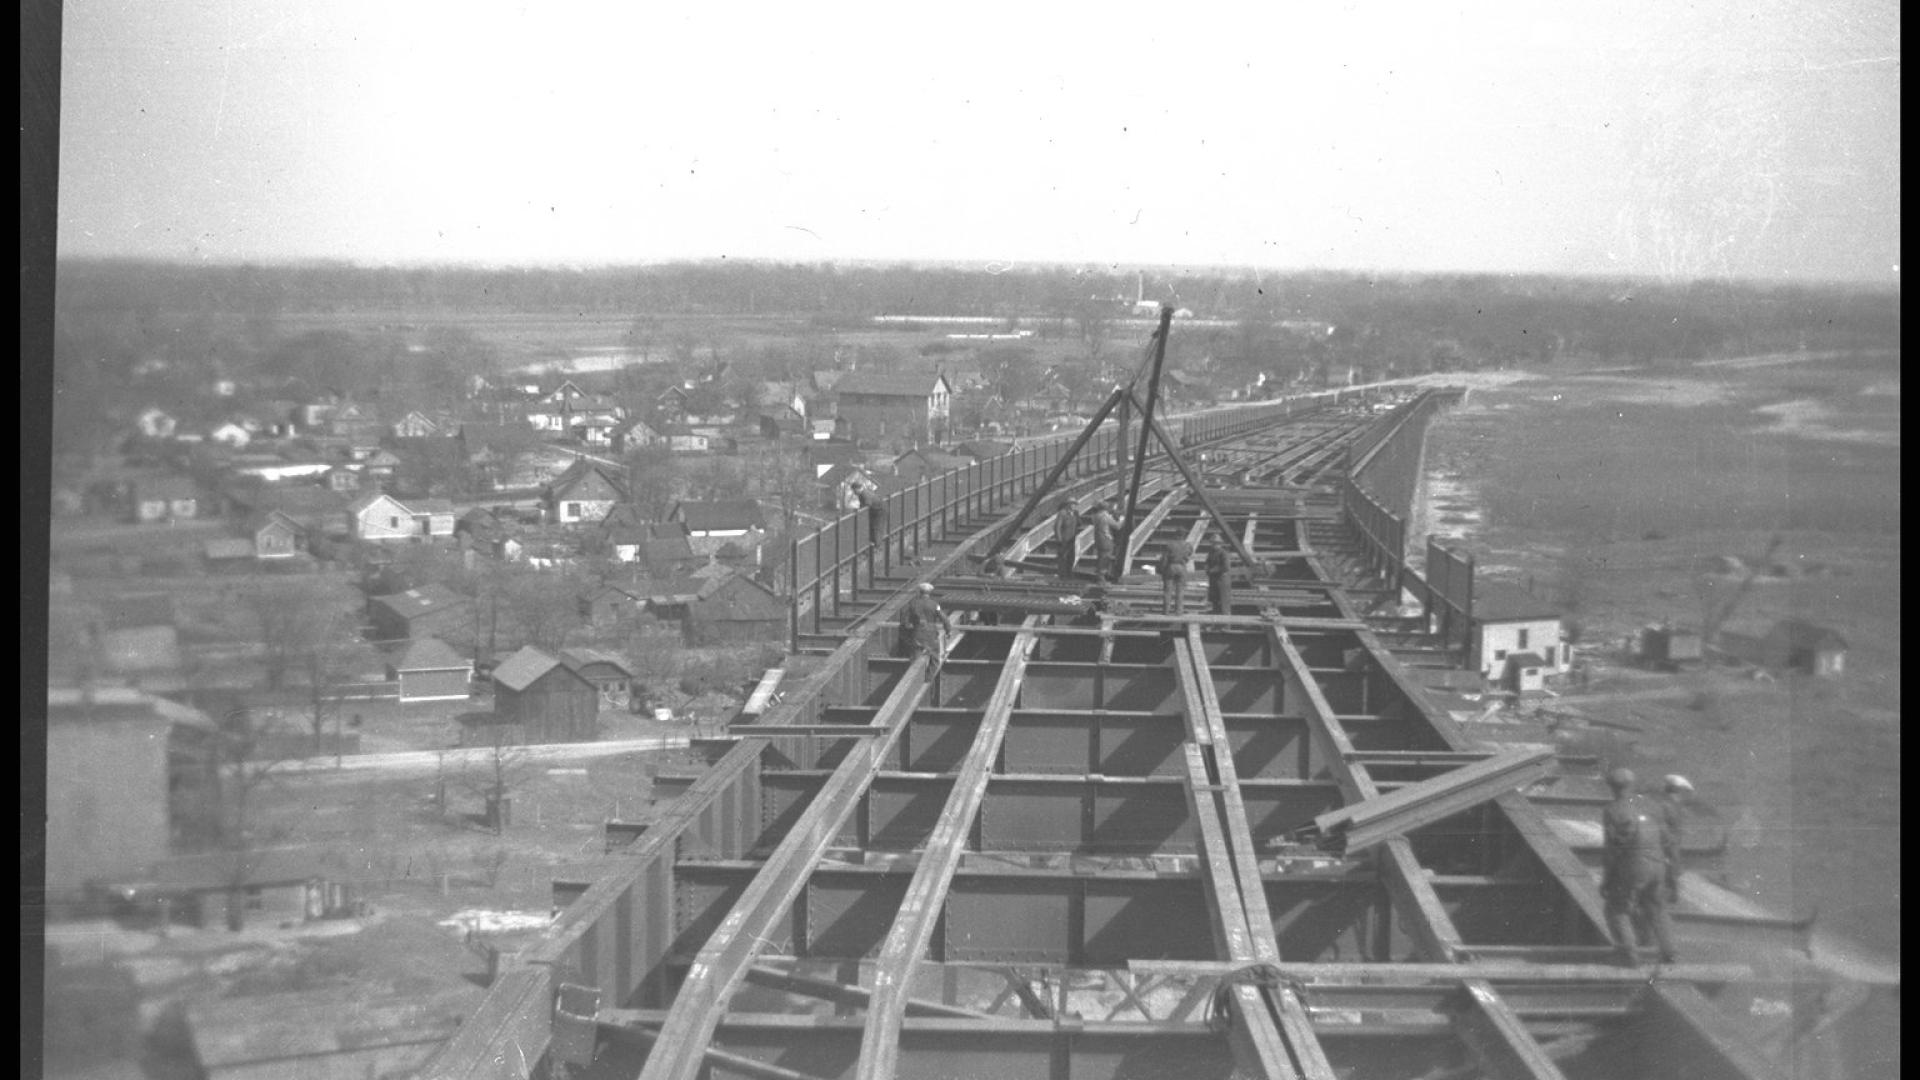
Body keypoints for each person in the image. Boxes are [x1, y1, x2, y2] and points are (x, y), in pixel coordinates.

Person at [1601, 767, 1677, 965]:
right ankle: (1669, 953)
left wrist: (1607, 880)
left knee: (1616, 909)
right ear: (1632, 784)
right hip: (1658, 865)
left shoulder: (1612, 810)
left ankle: (1629, 955)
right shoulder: (1652, 806)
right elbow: (1668, 841)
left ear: (1611, 787)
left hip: (1633, 866)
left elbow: (1612, 849)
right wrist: (1672, 874)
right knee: (1657, 908)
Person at [901, 582, 951, 674]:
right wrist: (948, 631)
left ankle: (914, 677)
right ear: (930, 592)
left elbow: (904, 619)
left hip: (917, 632)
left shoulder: (912, 604)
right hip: (931, 633)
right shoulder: (935, 605)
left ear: (919, 592)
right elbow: (944, 619)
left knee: (916, 657)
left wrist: (908, 629)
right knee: (934, 657)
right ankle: (930, 678)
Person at [1659, 774, 1693, 903]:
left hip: (1670, 837)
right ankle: (1672, 891)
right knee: (1673, 862)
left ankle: (1672, 892)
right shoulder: (1675, 804)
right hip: (1674, 837)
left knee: (1670, 863)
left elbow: (1667, 821)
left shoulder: (1667, 804)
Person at [1159, 536, 1194, 614]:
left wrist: (1162, 569)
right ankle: (1178, 611)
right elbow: (1189, 555)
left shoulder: (1169, 544)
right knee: (1180, 590)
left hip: (1171, 567)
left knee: (1168, 590)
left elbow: (1165, 558)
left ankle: (1166, 611)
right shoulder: (1188, 545)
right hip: (1182, 567)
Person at [1088, 502, 1120, 581]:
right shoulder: (1105, 516)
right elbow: (1117, 526)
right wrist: (1122, 519)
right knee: (1105, 557)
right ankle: (1101, 575)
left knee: (1100, 556)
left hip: (1098, 539)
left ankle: (1102, 573)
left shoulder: (1095, 516)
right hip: (1106, 538)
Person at [1052, 500, 1081, 580]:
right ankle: (1063, 575)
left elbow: (1079, 524)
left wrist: (1077, 516)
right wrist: (1059, 539)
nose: (1074, 506)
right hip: (1064, 539)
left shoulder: (1075, 514)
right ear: (1068, 504)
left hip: (1072, 540)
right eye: (1073, 504)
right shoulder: (1062, 513)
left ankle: (1069, 573)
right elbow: (1057, 527)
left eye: (1075, 504)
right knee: (1063, 558)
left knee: (1071, 557)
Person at [1204, 540, 1232, 615]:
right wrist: (1206, 568)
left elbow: (1226, 567)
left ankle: (1225, 623)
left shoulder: (1224, 553)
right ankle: (1216, 622)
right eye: (1213, 543)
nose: (1214, 545)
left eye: (1216, 544)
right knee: (1214, 600)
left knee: (1224, 601)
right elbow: (1207, 562)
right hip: (1214, 580)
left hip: (1222, 579)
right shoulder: (1211, 553)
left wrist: (1212, 570)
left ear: (1220, 544)